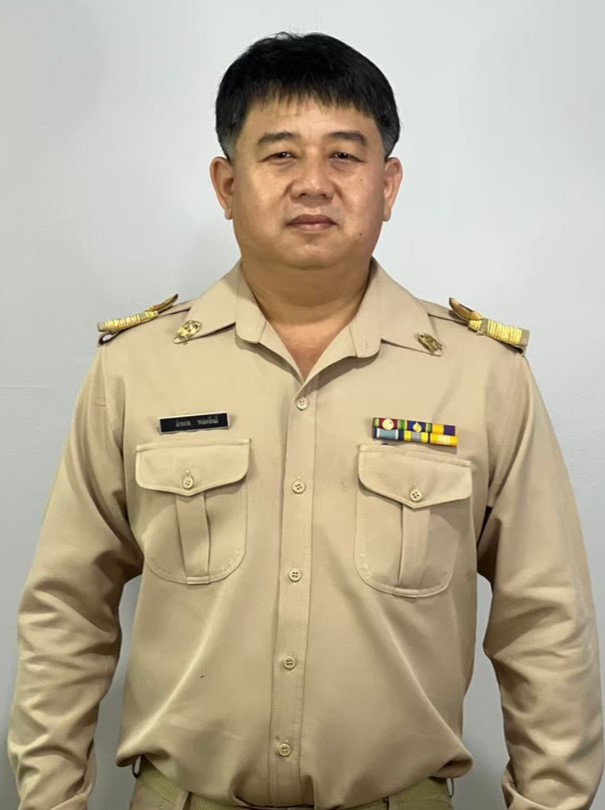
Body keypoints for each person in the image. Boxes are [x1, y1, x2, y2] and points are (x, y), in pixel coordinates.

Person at [7, 30, 603, 810]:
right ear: (227, 184)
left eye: (344, 155)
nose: (313, 184)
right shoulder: (136, 369)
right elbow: (67, 609)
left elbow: (544, 624)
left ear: (388, 185)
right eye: (281, 155)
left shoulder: (482, 376)